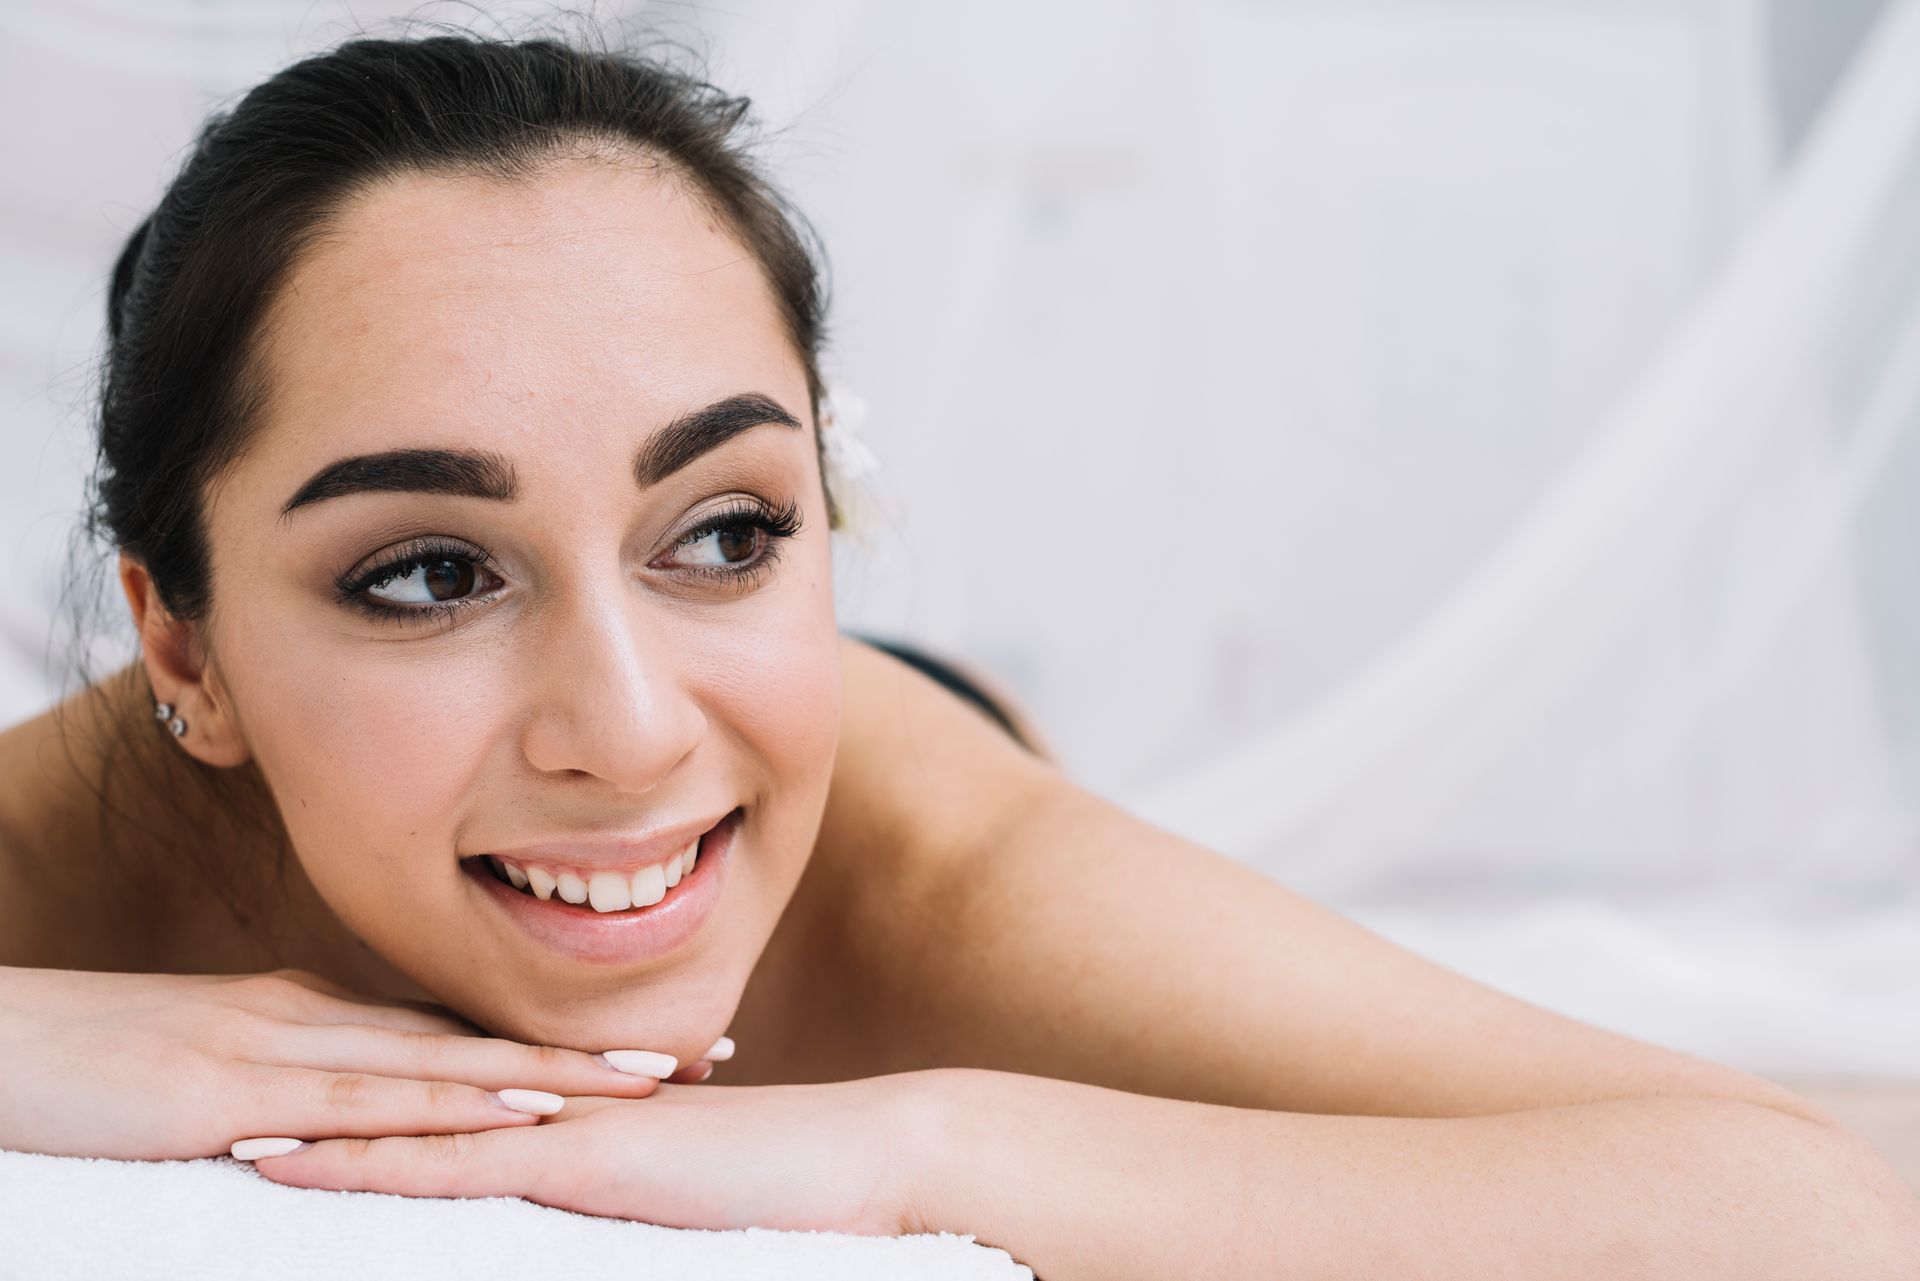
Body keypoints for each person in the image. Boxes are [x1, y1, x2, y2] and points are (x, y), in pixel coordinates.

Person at [0, 27, 1912, 1280]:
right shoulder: (56, 853)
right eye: (427, 573)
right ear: (184, 637)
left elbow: (1809, 1215)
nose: (627, 723)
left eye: (729, 529)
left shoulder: (942, 888)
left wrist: (925, 1140)